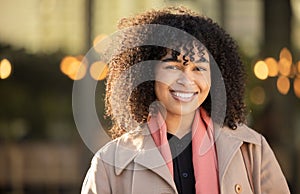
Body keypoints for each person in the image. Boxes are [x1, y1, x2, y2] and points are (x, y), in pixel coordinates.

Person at [81, 6, 290, 194]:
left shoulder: (252, 148)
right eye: (173, 67)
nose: (186, 80)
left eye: (199, 68)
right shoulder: (109, 163)